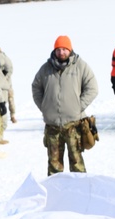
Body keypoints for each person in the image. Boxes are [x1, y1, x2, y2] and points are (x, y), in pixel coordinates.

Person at [32, 36, 98, 175]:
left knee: (77, 163)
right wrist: (44, 107)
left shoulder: (80, 66)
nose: (61, 52)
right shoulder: (46, 69)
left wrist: (78, 106)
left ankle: (80, 192)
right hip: (52, 125)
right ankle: (56, 194)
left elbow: (92, 88)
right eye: (58, 49)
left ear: (70, 50)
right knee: (54, 166)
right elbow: (36, 88)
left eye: (64, 49)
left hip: (73, 124)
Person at [0, 45, 18, 124]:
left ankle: (13, 115)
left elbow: (10, 69)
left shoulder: (4, 58)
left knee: (10, 99)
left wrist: (5, 77)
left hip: (7, 83)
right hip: (0, 85)